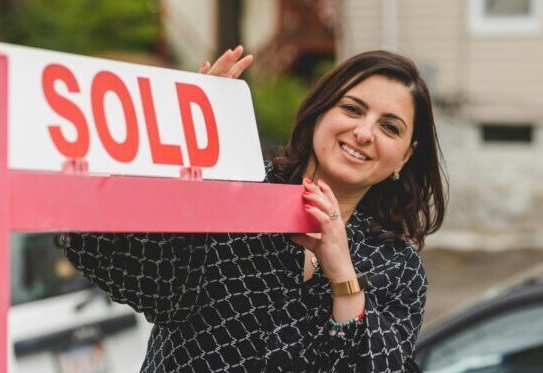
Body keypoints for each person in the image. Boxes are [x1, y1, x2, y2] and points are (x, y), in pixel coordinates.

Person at [63, 47, 446, 372]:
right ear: (319, 112)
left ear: (405, 157)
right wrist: (180, 142)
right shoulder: (234, 189)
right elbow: (99, 245)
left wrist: (343, 278)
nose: (364, 133)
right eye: (352, 109)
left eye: (390, 128)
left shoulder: (399, 271)